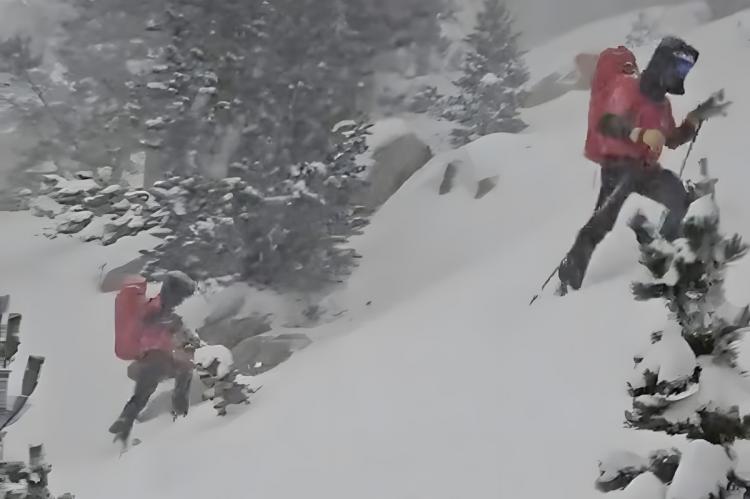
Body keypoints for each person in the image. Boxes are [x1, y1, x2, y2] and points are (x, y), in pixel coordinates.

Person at [557, 36, 726, 295]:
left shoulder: (663, 105)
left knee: (679, 198)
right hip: (618, 168)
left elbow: (671, 139)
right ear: (663, 65)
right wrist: (640, 134)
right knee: (602, 222)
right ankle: (570, 274)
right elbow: (607, 123)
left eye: (684, 70)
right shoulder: (626, 87)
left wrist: (694, 120)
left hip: (646, 170)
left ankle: (667, 248)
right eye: (678, 68)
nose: (680, 74)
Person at [109, 271, 200, 442]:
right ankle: (181, 416)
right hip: (159, 354)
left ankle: (125, 422)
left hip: (148, 356)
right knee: (184, 372)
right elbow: (168, 330)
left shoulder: (155, 304)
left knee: (143, 392)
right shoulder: (165, 309)